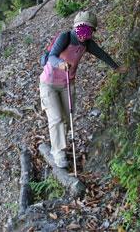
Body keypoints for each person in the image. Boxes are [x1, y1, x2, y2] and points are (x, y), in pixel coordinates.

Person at [39, 10, 127, 168]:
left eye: (88, 30)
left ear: (91, 32)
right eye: (81, 29)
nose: (83, 34)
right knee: (56, 118)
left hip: (67, 83)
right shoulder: (65, 37)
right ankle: (58, 153)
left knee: (66, 118)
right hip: (49, 83)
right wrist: (60, 63)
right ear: (75, 27)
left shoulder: (87, 44)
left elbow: (102, 54)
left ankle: (59, 147)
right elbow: (52, 56)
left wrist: (116, 67)